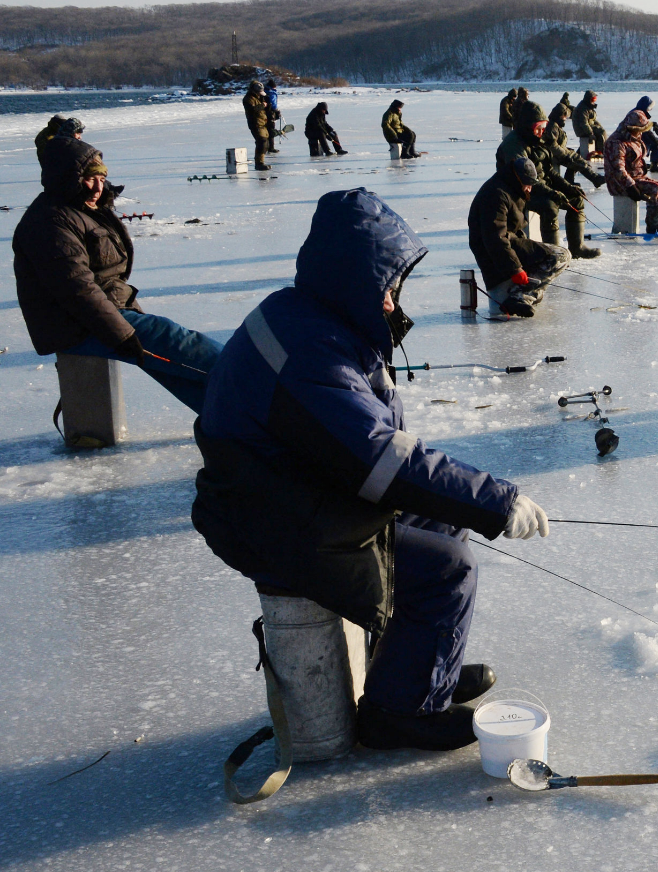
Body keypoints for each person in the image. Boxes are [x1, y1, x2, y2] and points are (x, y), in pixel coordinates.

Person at [193, 188, 549, 752]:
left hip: (294, 494)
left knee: (442, 526)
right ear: (350, 280)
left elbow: (368, 453)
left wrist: (467, 504)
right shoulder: (313, 351)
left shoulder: (310, 316)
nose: (391, 301)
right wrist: (497, 502)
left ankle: (415, 673)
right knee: (447, 567)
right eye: (385, 288)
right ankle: (397, 714)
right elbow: (379, 458)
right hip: (274, 522)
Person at [13, 138, 223, 429]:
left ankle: (233, 421)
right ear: (66, 179)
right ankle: (253, 379)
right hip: (76, 325)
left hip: (103, 312)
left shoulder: (80, 210)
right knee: (182, 344)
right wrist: (123, 335)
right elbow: (77, 290)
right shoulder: (51, 221)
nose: (98, 188)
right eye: (89, 179)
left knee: (174, 367)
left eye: (102, 178)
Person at [468, 155, 570, 318]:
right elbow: (495, 238)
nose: (530, 188)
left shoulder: (510, 189)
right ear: (516, 178)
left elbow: (513, 229)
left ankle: (525, 295)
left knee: (553, 254)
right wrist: (514, 268)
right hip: (492, 252)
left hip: (507, 244)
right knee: (560, 256)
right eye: (527, 184)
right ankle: (520, 296)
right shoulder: (497, 194)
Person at [499, 99, 600, 260]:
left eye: (543, 128)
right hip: (518, 191)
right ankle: (554, 254)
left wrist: (567, 187)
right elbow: (525, 178)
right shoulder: (514, 144)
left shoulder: (538, 140)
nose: (541, 132)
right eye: (538, 128)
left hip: (540, 186)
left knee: (576, 199)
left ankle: (577, 247)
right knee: (550, 206)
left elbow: (548, 171)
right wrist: (552, 193)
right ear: (528, 125)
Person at [605, 108, 658, 236]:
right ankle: (655, 224)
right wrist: (631, 186)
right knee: (655, 190)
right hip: (620, 182)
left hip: (637, 177)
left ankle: (656, 222)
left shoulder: (633, 137)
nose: (640, 133)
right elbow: (618, 169)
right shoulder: (616, 142)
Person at [243, 81, 272, 171]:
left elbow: (264, 110)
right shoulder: (248, 99)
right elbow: (252, 110)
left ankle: (261, 161)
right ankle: (259, 163)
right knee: (261, 142)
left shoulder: (259, 97)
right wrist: (262, 105)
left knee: (266, 143)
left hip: (263, 123)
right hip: (255, 124)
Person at [634, 94, 658, 172]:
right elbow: (646, 132)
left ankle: (654, 163)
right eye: (649, 108)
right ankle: (654, 164)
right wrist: (657, 143)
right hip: (636, 139)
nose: (650, 109)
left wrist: (653, 124)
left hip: (638, 137)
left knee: (657, 141)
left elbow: (645, 126)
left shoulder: (637, 111)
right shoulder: (639, 115)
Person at [572, 90, 606, 156]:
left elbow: (593, 120)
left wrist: (599, 126)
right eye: (593, 99)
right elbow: (583, 123)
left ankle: (598, 150)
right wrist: (590, 133)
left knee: (600, 131)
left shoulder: (588, 107)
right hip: (581, 129)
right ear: (588, 99)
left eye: (595, 100)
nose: (594, 101)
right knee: (602, 132)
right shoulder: (583, 108)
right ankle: (601, 152)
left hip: (588, 126)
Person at [263, 79, 281, 153]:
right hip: (270, 113)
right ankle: (271, 147)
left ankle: (265, 147)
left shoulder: (263, 92)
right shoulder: (272, 93)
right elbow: (273, 104)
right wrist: (277, 111)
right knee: (271, 130)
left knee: (265, 130)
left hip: (263, 114)